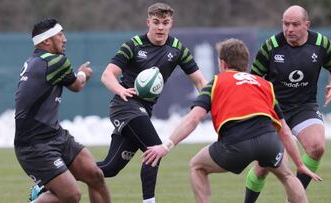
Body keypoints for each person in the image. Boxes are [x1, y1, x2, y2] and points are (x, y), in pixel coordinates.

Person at [142, 38, 322, 203]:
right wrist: (299, 164)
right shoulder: (264, 84)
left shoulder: (216, 82)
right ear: (246, 63)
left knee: (197, 166)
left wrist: (166, 146)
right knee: (288, 176)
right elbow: (284, 130)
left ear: (222, 63)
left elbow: (194, 118)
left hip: (237, 143)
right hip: (268, 140)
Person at [96, 2, 207, 203]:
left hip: (141, 111)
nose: (160, 27)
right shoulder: (134, 44)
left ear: (171, 24)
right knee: (154, 149)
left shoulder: (177, 48)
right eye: (156, 22)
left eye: (165, 23)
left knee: (110, 168)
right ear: (148, 22)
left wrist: (210, 102)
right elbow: (107, 74)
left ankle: (54, 176)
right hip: (125, 105)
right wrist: (120, 89)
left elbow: (200, 80)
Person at [14, 18, 110, 203]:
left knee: (95, 175)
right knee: (71, 196)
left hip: (54, 135)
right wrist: (83, 73)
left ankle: (42, 192)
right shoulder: (55, 62)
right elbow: (76, 85)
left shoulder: (36, 61)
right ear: (46, 41)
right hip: (34, 145)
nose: (64, 39)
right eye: (60, 34)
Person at [244, 5, 331, 202]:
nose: (289, 29)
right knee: (264, 166)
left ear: (307, 25)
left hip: (304, 107)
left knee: (317, 147)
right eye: (285, 24)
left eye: (295, 24)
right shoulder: (271, 46)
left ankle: (295, 197)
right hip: (274, 110)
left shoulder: (320, 43)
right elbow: (253, 80)